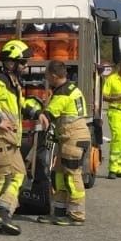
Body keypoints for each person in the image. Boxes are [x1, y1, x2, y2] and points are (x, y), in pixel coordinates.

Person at [0, 39, 44, 235]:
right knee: (1, 178)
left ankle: (0, 213)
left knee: (19, 175)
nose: (26, 66)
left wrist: (37, 113)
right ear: (11, 62)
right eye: (23, 62)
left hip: (11, 141)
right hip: (2, 139)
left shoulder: (13, 84)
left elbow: (22, 105)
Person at [38, 60, 90, 225]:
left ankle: (76, 214)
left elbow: (48, 115)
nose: (46, 78)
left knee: (72, 176)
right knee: (59, 175)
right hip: (70, 137)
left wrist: (33, 111)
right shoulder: (71, 88)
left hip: (72, 138)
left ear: (53, 76)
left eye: (47, 75)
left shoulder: (63, 94)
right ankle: (59, 212)